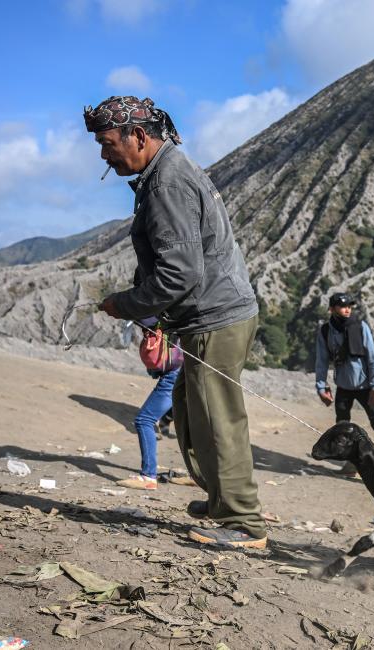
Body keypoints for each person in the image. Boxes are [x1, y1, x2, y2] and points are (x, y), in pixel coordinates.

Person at [86, 96, 265, 549]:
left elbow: (180, 273)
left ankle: (242, 522)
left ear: (139, 137)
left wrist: (126, 304)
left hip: (216, 318)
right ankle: (221, 497)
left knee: (216, 418)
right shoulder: (165, 173)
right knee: (191, 413)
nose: (104, 155)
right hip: (208, 316)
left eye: (107, 144)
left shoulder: (167, 182)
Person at [315, 292, 374, 471]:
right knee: (342, 426)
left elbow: (372, 357)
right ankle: (351, 463)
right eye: (343, 306)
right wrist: (321, 387)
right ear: (332, 309)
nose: (347, 309)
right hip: (343, 386)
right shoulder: (326, 331)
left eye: (349, 306)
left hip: (365, 386)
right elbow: (322, 361)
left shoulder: (360, 326)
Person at [116, 317, 186, 490]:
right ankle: (200, 477)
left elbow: (146, 315)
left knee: (144, 420)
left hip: (175, 372)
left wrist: (122, 305)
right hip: (189, 368)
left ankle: (148, 476)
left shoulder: (162, 305)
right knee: (190, 424)